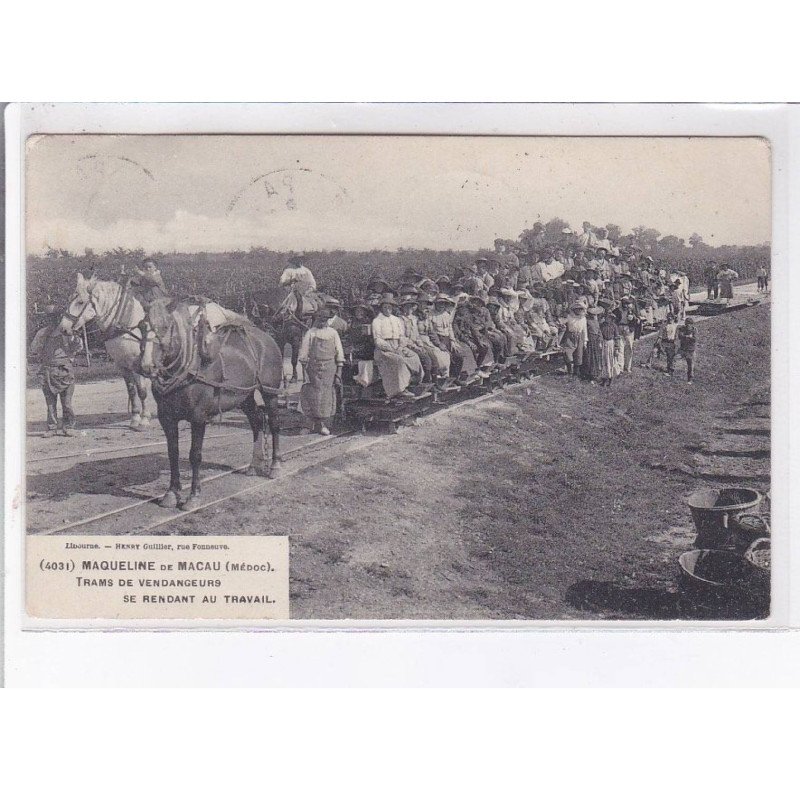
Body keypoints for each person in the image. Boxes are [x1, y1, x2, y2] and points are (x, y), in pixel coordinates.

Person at [29, 306, 83, 436]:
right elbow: (34, 349)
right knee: (50, 404)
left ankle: (69, 427)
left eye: (55, 317)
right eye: (50, 317)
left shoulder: (67, 333)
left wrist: (74, 337)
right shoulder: (42, 333)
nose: (53, 320)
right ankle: (52, 428)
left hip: (65, 371)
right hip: (48, 371)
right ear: (46, 318)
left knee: (67, 403)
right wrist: (41, 342)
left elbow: (78, 347)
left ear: (60, 318)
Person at [298, 308, 345, 435]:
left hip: (329, 367)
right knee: (310, 394)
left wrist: (338, 372)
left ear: (328, 320)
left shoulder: (333, 333)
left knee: (326, 395)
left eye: (324, 320)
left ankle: (324, 425)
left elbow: (339, 353)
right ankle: (308, 424)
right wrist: (305, 370)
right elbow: (303, 353)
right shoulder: (311, 333)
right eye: (319, 319)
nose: (321, 322)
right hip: (313, 367)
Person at [371, 294, 423, 397]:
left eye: (389, 307)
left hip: (398, 345)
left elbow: (402, 336)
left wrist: (400, 347)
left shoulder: (396, 320)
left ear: (392, 308)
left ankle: (414, 382)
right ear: (381, 308)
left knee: (414, 357)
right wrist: (391, 349)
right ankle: (400, 390)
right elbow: (378, 340)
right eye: (385, 307)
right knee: (398, 360)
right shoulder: (377, 321)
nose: (387, 309)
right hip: (384, 349)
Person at [560, 303, 587, 377]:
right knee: (568, 353)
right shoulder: (569, 317)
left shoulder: (583, 318)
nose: (579, 311)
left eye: (581, 309)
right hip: (570, 336)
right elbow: (562, 322)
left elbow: (584, 330)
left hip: (580, 336)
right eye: (578, 309)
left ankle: (576, 373)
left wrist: (585, 341)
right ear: (574, 309)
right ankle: (570, 371)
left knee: (579, 354)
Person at [598, 308, 621, 386]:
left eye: (610, 317)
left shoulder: (614, 326)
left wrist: (616, 348)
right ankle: (604, 379)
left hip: (611, 343)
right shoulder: (602, 325)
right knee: (604, 361)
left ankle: (611, 379)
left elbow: (617, 337)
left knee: (611, 361)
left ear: (612, 318)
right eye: (607, 317)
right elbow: (600, 334)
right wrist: (600, 342)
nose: (608, 319)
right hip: (604, 343)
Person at [584, 307, 604, 384]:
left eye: (595, 314)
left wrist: (600, 340)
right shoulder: (587, 321)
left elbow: (599, 331)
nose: (595, 316)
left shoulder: (596, 322)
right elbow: (586, 331)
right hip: (590, 340)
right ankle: (589, 375)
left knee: (596, 357)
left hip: (596, 340)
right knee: (590, 357)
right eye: (593, 314)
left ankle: (595, 374)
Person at [677, 316, 698, 384]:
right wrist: (687, 336)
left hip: (690, 350)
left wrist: (686, 337)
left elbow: (695, 339)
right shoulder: (682, 329)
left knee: (690, 364)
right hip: (683, 348)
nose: (688, 325)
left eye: (690, 323)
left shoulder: (694, 330)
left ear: (692, 324)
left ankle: (690, 379)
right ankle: (671, 372)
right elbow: (680, 336)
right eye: (687, 323)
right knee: (675, 359)